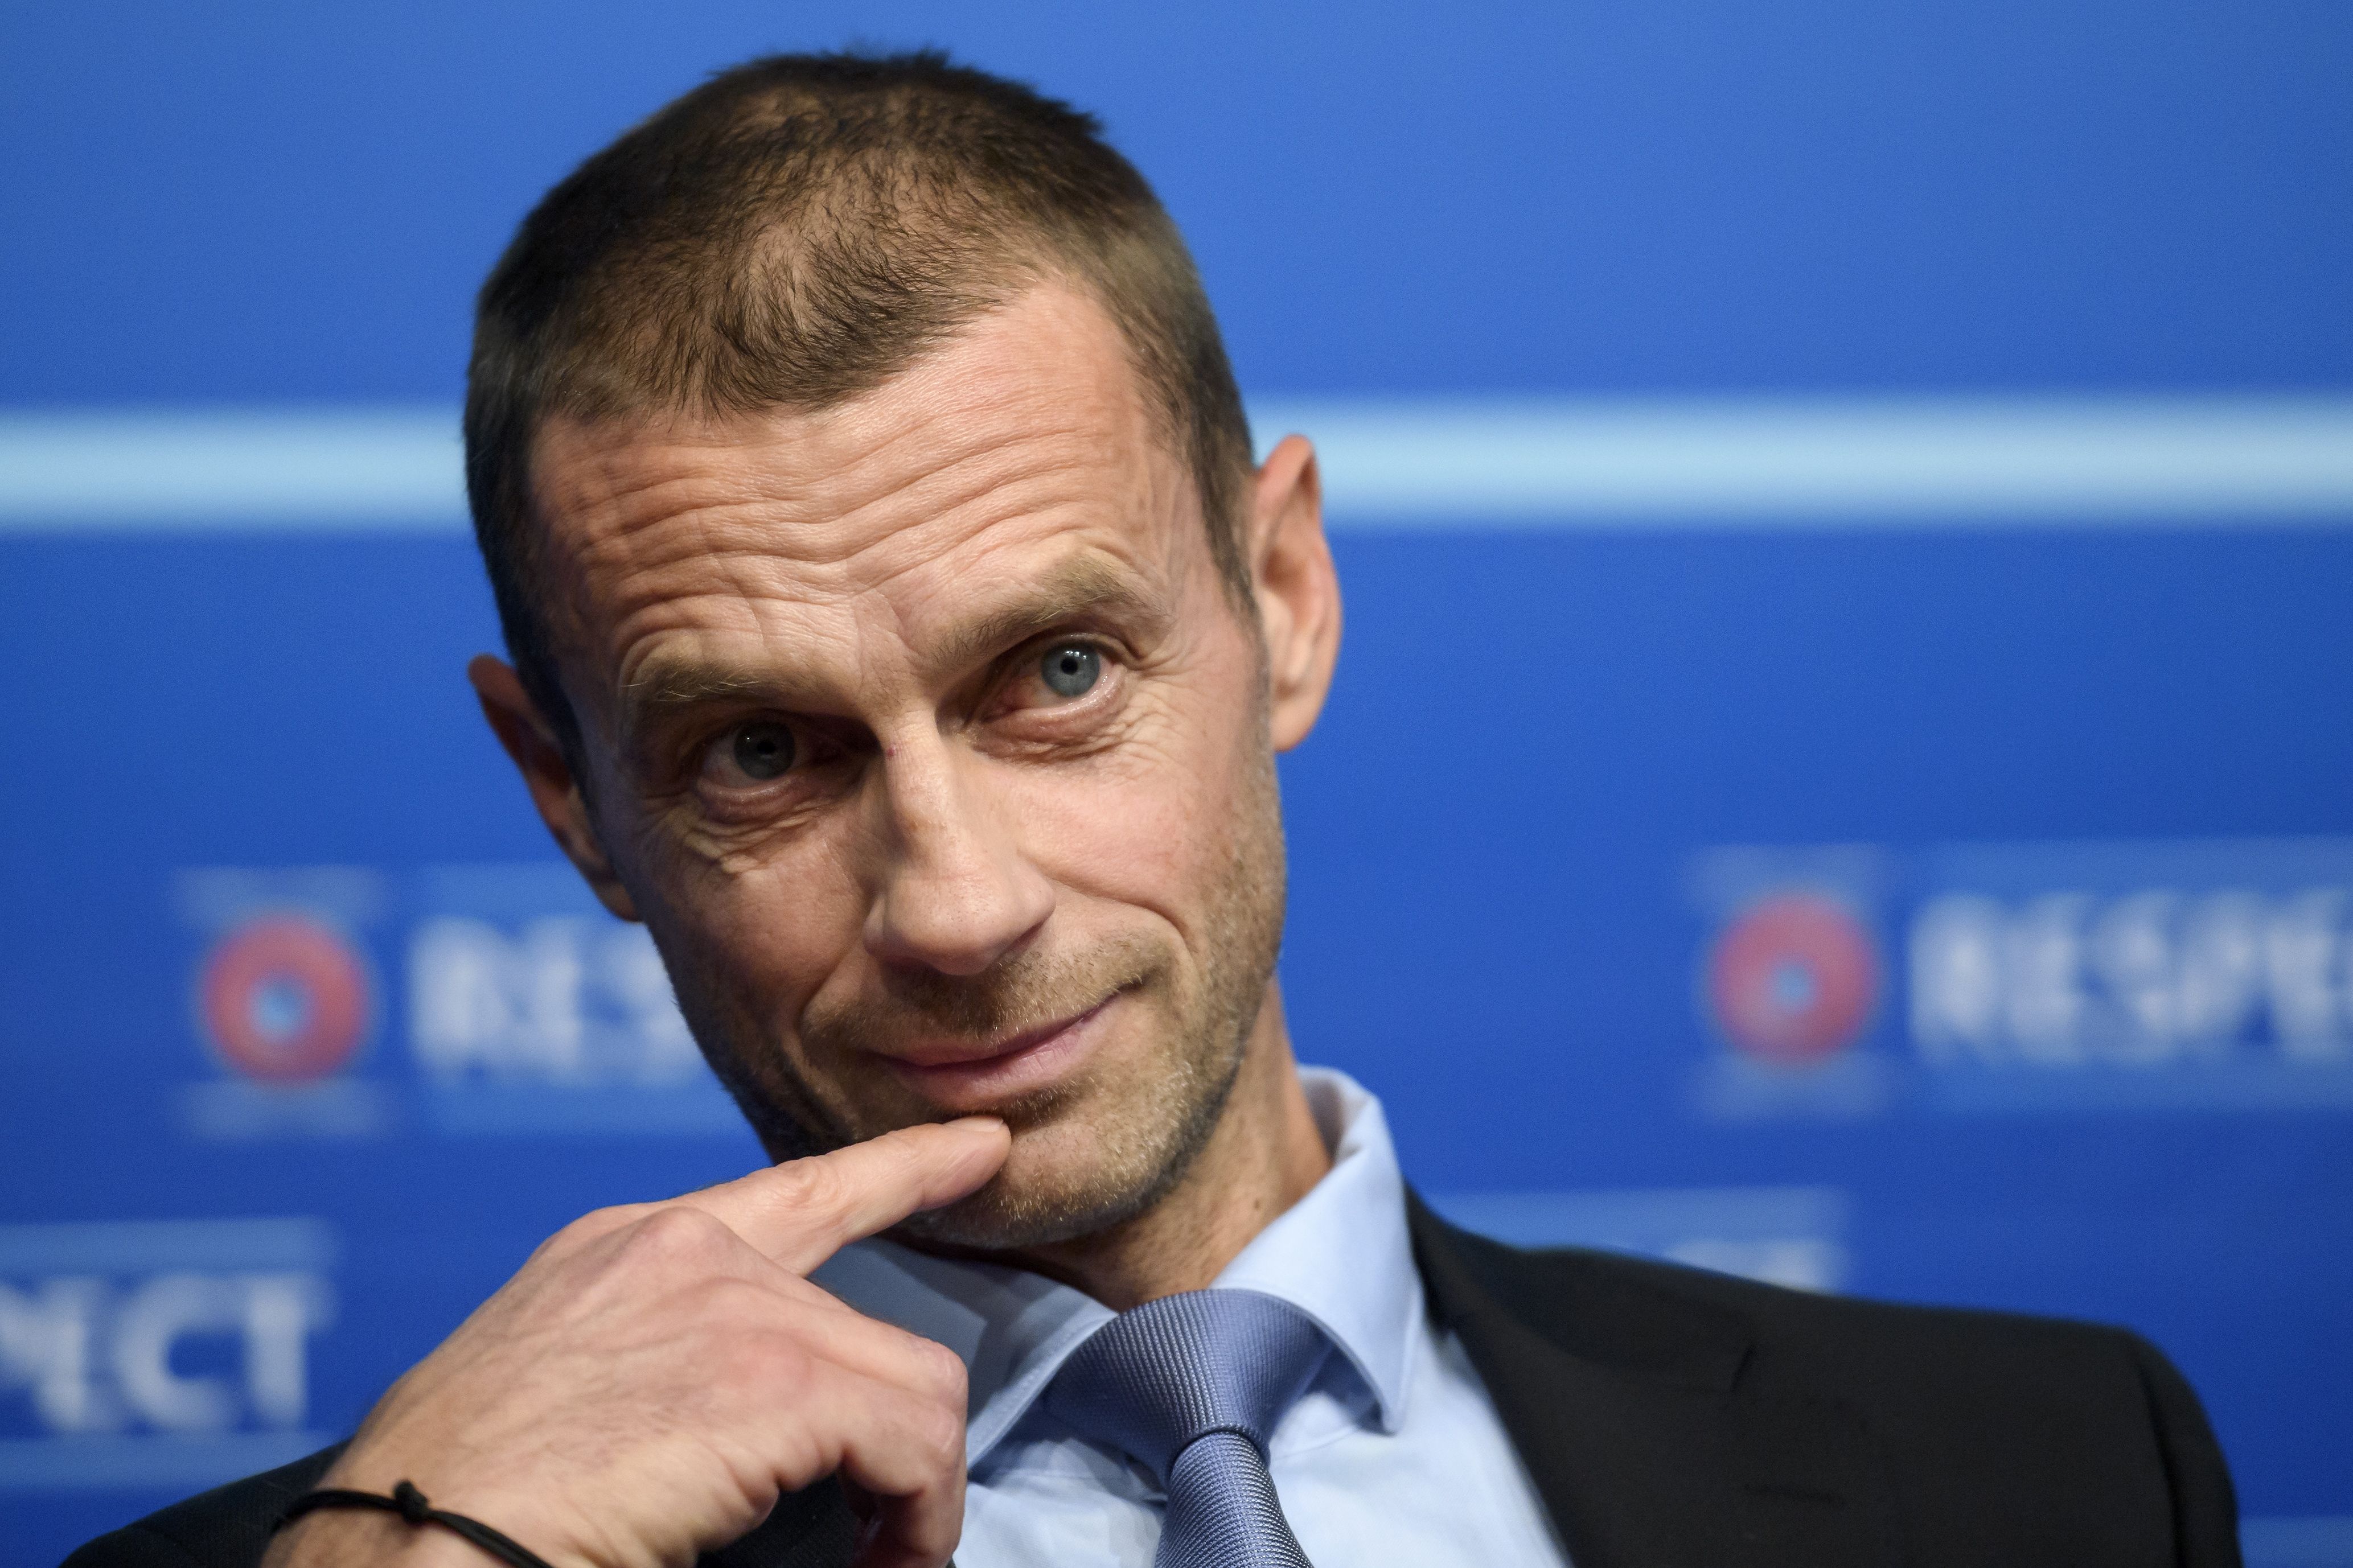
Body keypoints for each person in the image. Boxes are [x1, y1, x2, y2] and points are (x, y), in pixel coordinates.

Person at [67, 50, 2240, 1568]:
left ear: (1282, 597)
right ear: (569, 797)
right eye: (763, 752)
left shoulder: (2045, 1474)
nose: (957, 903)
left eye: (1056, 674)